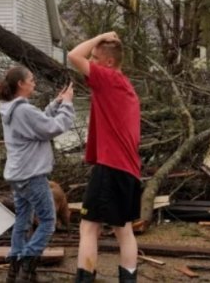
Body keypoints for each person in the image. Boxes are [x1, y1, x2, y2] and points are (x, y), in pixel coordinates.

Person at [68, 32, 141, 283]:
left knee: (88, 227)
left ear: (108, 62)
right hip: (129, 168)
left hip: (111, 166)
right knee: (124, 230)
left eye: (96, 58)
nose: (92, 61)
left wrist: (100, 36)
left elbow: (73, 55)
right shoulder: (124, 85)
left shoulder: (107, 79)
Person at [0, 66, 75, 283]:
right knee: (48, 222)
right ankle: (26, 263)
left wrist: (55, 104)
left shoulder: (11, 107)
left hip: (18, 174)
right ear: (21, 84)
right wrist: (67, 104)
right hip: (32, 175)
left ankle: (15, 271)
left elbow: (38, 123)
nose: (34, 82)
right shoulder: (23, 110)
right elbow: (52, 127)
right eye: (31, 79)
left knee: (22, 220)